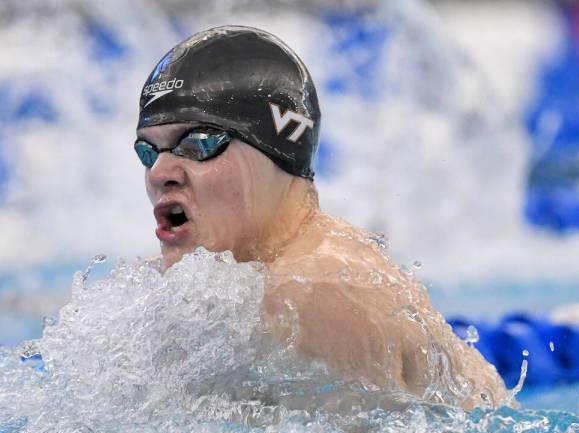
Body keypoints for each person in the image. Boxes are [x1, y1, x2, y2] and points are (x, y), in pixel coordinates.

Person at [135, 25, 508, 409]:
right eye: (148, 151)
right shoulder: (175, 288)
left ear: (278, 149)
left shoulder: (321, 290)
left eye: (199, 143)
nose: (160, 172)